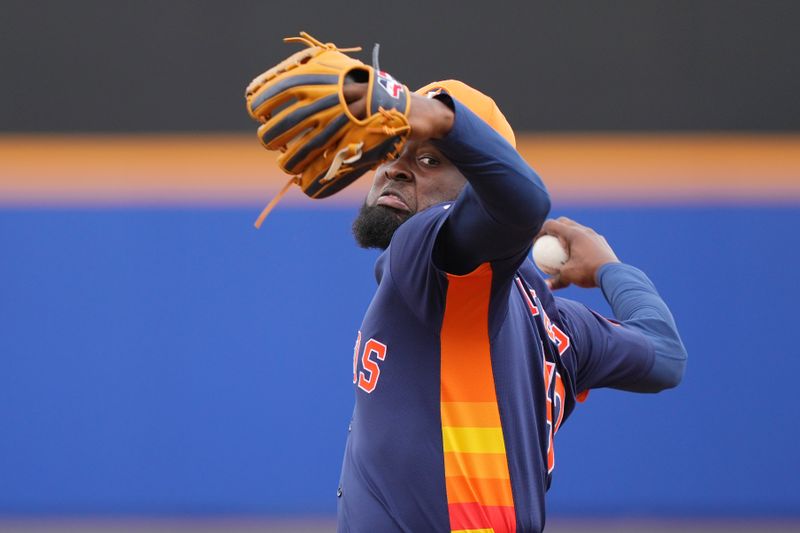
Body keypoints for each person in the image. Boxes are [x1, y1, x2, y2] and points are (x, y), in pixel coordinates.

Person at [339, 79, 687, 533]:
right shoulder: (561, 327)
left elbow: (523, 204)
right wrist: (610, 268)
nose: (397, 170)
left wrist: (446, 119)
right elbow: (664, 355)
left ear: (478, 192)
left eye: (430, 159)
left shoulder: (426, 256)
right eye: (393, 151)